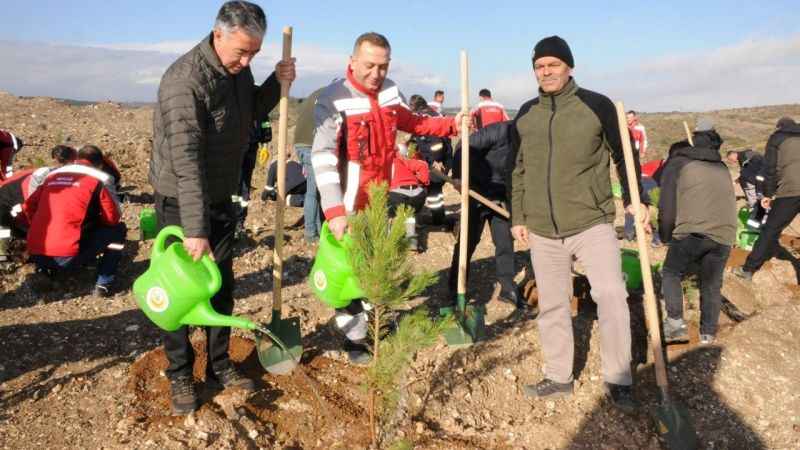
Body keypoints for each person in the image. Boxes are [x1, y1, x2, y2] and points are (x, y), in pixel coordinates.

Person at [149, 1, 296, 415]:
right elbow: (186, 162)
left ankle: (218, 364)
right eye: (241, 52)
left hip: (221, 196)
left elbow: (247, 110)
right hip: (183, 201)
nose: (246, 59)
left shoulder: (237, 69)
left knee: (221, 286)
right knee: (180, 292)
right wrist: (195, 230)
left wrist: (275, 82)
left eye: (255, 53)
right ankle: (180, 372)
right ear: (218, 34)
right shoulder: (184, 82)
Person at [510, 35, 648, 412]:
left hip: (592, 222)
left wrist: (640, 201)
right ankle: (558, 377)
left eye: (553, 65)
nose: (546, 71)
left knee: (612, 296)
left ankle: (619, 380)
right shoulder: (525, 114)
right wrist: (519, 217)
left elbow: (625, 155)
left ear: (569, 67)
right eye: (539, 66)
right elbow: (517, 171)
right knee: (553, 304)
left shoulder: (597, 106)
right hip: (542, 228)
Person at [311, 31, 465, 363]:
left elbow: (415, 123)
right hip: (348, 205)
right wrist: (335, 210)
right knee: (347, 275)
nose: (376, 74)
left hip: (380, 201)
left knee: (375, 268)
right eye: (369, 65)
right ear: (352, 61)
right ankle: (354, 340)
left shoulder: (391, 91)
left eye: (383, 66)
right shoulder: (334, 97)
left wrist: (452, 125)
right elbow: (322, 156)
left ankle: (373, 324)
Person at [657, 136, 736, 346]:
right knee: (711, 284)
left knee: (671, 272)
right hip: (725, 234)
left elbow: (667, 208)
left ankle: (675, 326)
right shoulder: (720, 166)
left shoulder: (678, 164)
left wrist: (665, 237)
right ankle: (708, 335)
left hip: (693, 231)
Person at [23, 153, 125, 296]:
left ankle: (45, 270)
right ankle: (104, 283)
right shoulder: (96, 181)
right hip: (66, 256)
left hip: (35, 252)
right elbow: (112, 219)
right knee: (118, 230)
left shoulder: (52, 177)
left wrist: (38, 225)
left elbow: (27, 207)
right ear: (99, 166)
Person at [449, 121, 524, 309]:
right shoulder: (498, 131)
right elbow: (463, 146)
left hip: (501, 194)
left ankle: (507, 288)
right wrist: (458, 175)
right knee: (468, 241)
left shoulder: (531, 141)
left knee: (505, 241)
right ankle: (455, 289)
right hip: (476, 190)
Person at [734, 117, 800, 281]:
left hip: (790, 190)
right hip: (791, 188)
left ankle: (748, 269)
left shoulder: (777, 138)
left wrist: (768, 195)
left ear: (779, 127)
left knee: (770, 230)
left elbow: (771, 170)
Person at [409, 94, 452, 227]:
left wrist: (434, 161)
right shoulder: (434, 114)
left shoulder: (426, 117)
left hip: (436, 162)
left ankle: (434, 219)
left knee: (432, 191)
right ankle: (437, 218)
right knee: (435, 191)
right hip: (442, 158)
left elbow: (435, 143)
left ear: (415, 107)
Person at [294, 87, 324, 243]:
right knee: (313, 191)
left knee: (316, 189)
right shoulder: (332, 97)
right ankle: (311, 234)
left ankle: (318, 230)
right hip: (310, 146)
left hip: (301, 144)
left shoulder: (317, 93)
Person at [388, 141, 429, 251]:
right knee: (410, 214)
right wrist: (421, 181)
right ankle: (412, 244)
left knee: (387, 214)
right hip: (418, 195)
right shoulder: (402, 160)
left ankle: (388, 245)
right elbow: (422, 165)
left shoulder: (384, 161)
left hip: (398, 194)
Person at [236, 119, 271, 239]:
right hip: (247, 145)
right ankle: (237, 222)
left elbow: (265, 122)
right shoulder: (259, 103)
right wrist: (265, 144)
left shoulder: (242, 102)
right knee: (241, 185)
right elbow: (265, 122)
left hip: (242, 145)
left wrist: (265, 145)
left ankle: (237, 222)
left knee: (239, 185)